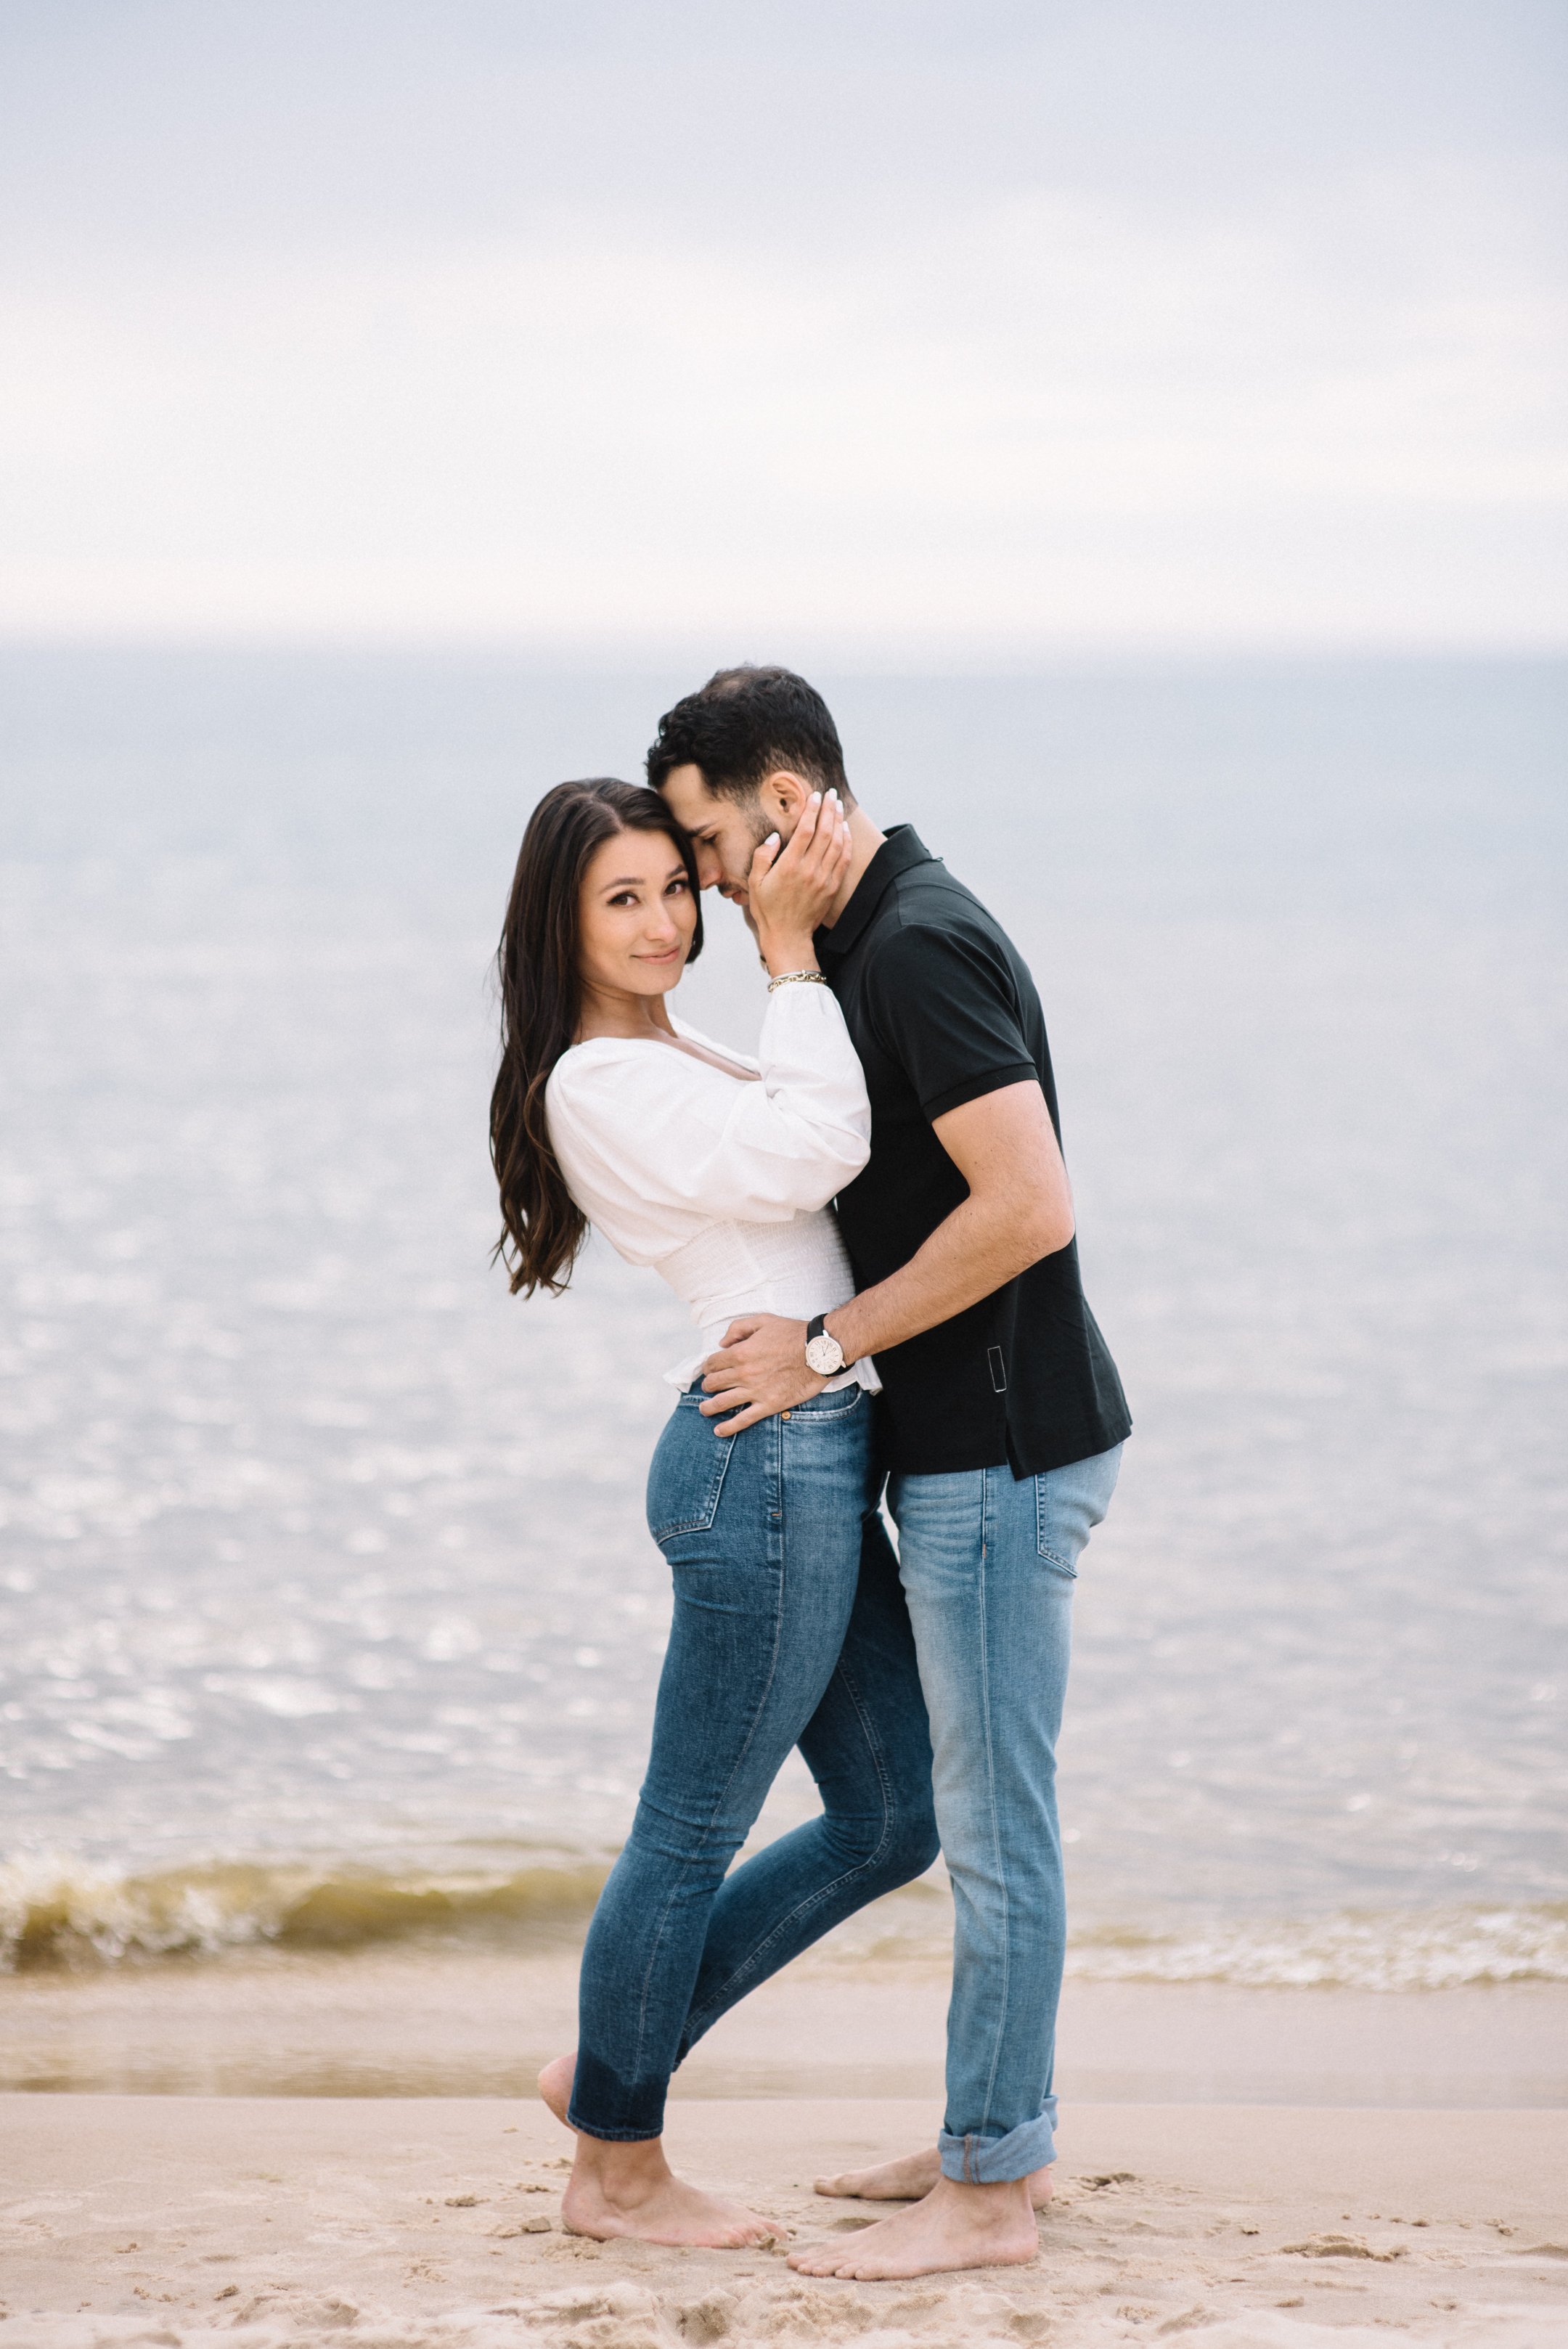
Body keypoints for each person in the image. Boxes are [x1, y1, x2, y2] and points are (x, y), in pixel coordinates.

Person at [651, 668, 1132, 2281]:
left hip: (1001, 1451)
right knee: (976, 1807)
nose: (708, 883)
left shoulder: (914, 945)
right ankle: (992, 2126)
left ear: (785, 803)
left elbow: (1028, 1203)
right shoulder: (853, 946)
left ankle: (992, 2192)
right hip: (974, 1447)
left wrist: (827, 1343)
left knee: (994, 1819)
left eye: (712, 843)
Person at [489, 775, 939, 2248]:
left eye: (675, 890)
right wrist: (796, 956)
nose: (665, 920)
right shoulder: (592, 1082)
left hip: (810, 1442)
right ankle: (616, 2168)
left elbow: (820, 1142)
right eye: (623, 899)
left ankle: (617, 2057)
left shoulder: (673, 1043)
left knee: (895, 1813)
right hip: (761, 1471)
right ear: (561, 924)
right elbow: (824, 1146)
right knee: (688, 1829)